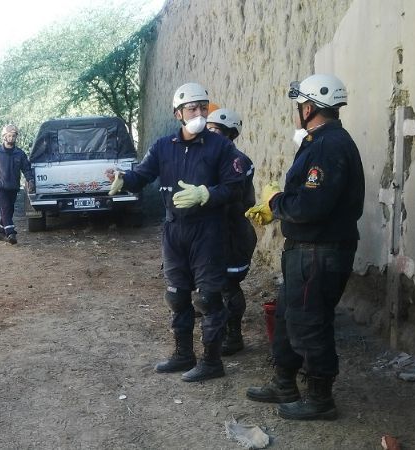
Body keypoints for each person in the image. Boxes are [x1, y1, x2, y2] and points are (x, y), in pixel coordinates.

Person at [107, 83, 246, 382]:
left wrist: (206, 194)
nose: (198, 113)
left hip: (207, 230)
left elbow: (235, 187)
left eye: (202, 108)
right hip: (174, 230)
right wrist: (124, 180)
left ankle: (212, 362)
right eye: (192, 108)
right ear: (178, 113)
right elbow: (142, 175)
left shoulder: (220, 147)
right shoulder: (162, 146)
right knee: (177, 295)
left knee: (208, 298)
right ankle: (183, 354)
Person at [245, 74, 364, 420]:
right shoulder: (319, 142)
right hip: (306, 249)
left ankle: (320, 399)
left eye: (300, 106)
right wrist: (278, 208)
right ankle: (284, 382)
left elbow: (310, 207)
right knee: (287, 316)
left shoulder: (328, 146)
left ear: (309, 107)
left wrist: (276, 202)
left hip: (319, 251)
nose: (299, 111)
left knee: (309, 323)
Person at [205, 108, 257, 355]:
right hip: (213, 233)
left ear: (229, 135)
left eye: (215, 131)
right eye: (209, 129)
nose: (209, 135)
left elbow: (229, 195)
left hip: (232, 232)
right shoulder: (210, 158)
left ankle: (234, 335)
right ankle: (219, 327)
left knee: (228, 284)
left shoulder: (238, 161)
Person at [0, 124, 33, 245]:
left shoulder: (20, 154)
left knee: (9, 210)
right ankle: (10, 233)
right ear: (4, 137)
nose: (11, 138)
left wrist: (30, 180)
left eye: (13, 136)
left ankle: (1, 232)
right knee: (5, 208)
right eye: (9, 136)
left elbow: (27, 169)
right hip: (0, 186)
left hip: (13, 187)